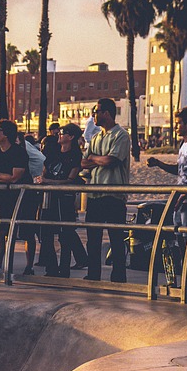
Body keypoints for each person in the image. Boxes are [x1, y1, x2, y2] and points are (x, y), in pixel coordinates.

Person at [147, 106, 187, 290]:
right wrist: (159, 164)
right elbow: (181, 171)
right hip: (182, 199)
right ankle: (185, 279)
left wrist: (185, 195)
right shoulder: (184, 145)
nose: (176, 127)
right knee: (181, 240)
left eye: (179, 124)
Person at [81, 97, 130, 283]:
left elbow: (112, 161)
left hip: (114, 196)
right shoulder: (95, 137)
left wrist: (94, 158)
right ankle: (93, 275)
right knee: (93, 239)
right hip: (94, 195)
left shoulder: (121, 136)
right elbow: (83, 162)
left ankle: (118, 277)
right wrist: (96, 159)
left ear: (106, 114)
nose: (94, 115)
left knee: (116, 239)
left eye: (96, 111)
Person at [0, 119, 36, 274]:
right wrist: (1, 177)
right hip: (4, 197)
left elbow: (15, 177)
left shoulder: (19, 152)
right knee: (0, 229)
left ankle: (29, 266)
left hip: (23, 197)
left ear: (5, 134)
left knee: (27, 231)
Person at [35, 123, 86, 278]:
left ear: (70, 137)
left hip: (64, 199)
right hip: (49, 198)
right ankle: (51, 268)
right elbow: (45, 171)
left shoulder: (75, 155)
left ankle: (64, 270)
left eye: (62, 133)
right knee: (47, 235)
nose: (59, 135)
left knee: (66, 236)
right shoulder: (53, 152)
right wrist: (44, 181)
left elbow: (70, 179)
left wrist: (49, 182)